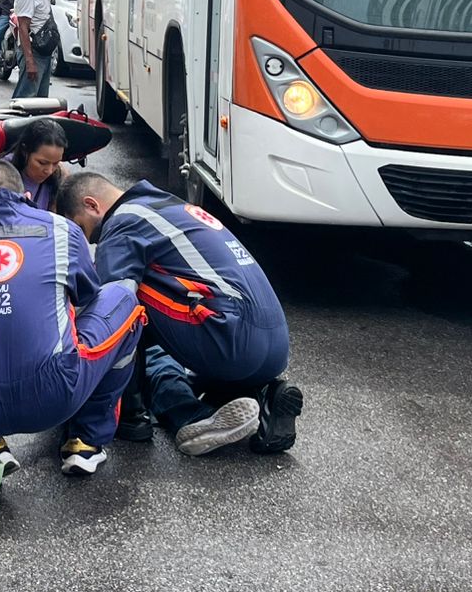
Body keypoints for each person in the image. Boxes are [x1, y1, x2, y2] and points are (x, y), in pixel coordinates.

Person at [0, 159, 145, 478]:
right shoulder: (61, 228)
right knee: (122, 297)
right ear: (26, 197)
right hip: (54, 398)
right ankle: (85, 442)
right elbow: (88, 298)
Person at [57, 172, 303, 457]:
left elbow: (110, 312)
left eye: (82, 228)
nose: (89, 239)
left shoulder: (123, 221)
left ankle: (188, 417)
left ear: (91, 205)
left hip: (231, 340)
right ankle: (262, 396)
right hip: (273, 346)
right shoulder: (167, 206)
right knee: (162, 300)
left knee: (127, 305)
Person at [11, 0, 59, 100]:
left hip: (44, 54)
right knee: (25, 101)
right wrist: (30, 62)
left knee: (40, 102)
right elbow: (23, 28)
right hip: (33, 53)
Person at [1, 117, 69, 212]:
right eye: (42, 163)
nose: (49, 171)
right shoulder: (0, 174)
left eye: (55, 163)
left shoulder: (59, 176)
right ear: (24, 151)